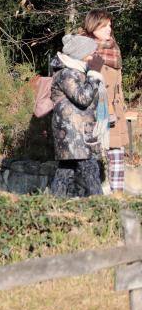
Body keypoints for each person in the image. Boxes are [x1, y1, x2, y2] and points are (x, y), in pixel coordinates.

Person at [49, 34, 107, 197]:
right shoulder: (67, 73)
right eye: (91, 53)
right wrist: (94, 74)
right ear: (81, 54)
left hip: (76, 133)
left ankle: (53, 207)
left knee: (65, 173)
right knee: (90, 171)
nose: (94, 56)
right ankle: (102, 210)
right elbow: (83, 98)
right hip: (73, 135)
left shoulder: (77, 72)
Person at [81, 10, 128, 194]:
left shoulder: (114, 49)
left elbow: (118, 84)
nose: (110, 29)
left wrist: (120, 105)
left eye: (110, 25)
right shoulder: (83, 49)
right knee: (90, 153)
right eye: (105, 25)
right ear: (94, 26)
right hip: (92, 109)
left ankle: (118, 196)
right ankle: (91, 196)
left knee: (116, 153)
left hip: (113, 110)